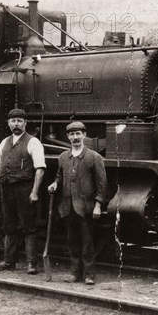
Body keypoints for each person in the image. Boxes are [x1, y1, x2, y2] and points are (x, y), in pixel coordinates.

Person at [0, 108, 45, 275]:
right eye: (13, 121)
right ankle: (9, 261)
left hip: (25, 189)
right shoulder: (4, 142)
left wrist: (35, 191)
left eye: (19, 121)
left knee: (29, 226)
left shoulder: (33, 142)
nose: (16, 124)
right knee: (9, 225)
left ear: (25, 123)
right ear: (8, 123)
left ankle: (32, 263)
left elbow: (40, 169)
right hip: (6, 188)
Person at [47, 121, 106, 285]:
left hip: (86, 207)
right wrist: (54, 184)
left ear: (84, 135)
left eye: (78, 134)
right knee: (72, 241)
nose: (75, 137)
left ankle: (89, 275)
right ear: (67, 137)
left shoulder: (94, 157)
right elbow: (60, 176)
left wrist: (98, 204)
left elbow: (102, 184)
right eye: (72, 134)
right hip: (68, 206)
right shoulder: (63, 157)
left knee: (87, 242)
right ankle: (75, 274)